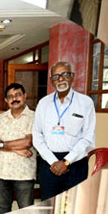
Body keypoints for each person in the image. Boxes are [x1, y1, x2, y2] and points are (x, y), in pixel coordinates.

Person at [32, 61, 96, 200]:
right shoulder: (43, 103)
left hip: (75, 164)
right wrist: (53, 161)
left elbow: (88, 137)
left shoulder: (85, 102)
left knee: (75, 206)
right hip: (48, 164)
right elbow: (37, 134)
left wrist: (66, 161)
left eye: (64, 74)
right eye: (56, 76)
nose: (60, 79)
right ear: (51, 81)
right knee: (48, 207)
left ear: (72, 76)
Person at [0, 83, 38, 214]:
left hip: (23, 172)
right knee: (3, 208)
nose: (14, 99)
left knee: (26, 209)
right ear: (6, 100)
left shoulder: (34, 117)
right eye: (10, 96)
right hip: (1, 171)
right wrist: (16, 149)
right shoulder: (1, 118)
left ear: (25, 96)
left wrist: (2, 145)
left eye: (18, 95)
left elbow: (28, 141)